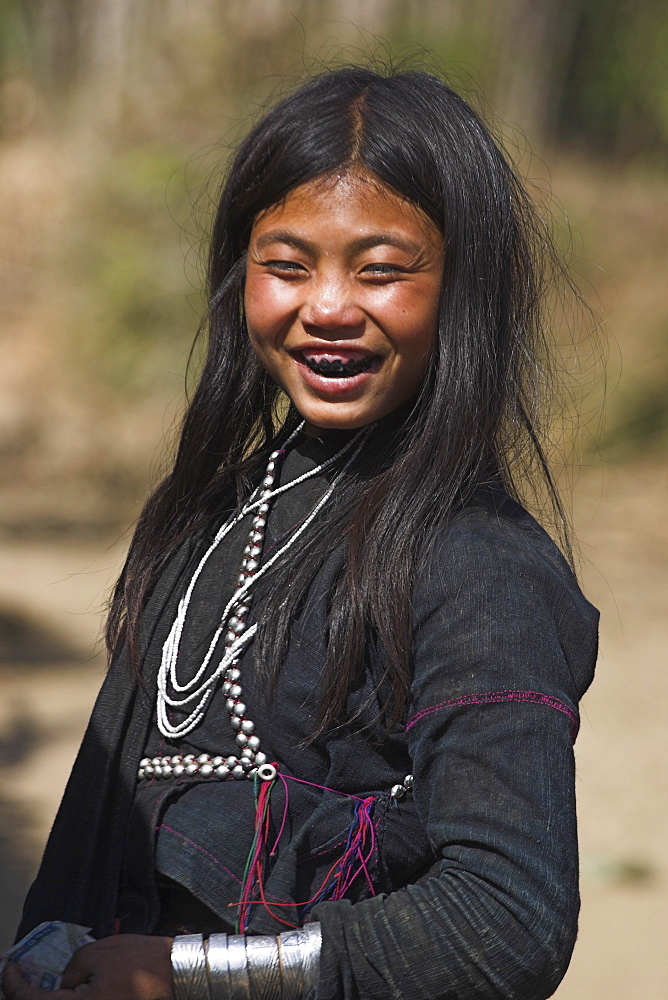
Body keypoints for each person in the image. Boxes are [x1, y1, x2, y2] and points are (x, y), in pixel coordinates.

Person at [3, 64, 598, 1000]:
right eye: (286, 265)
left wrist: (189, 975)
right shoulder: (205, 514)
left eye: (380, 271)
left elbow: (506, 918)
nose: (326, 307)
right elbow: (93, 826)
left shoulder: (481, 567)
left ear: (463, 287)